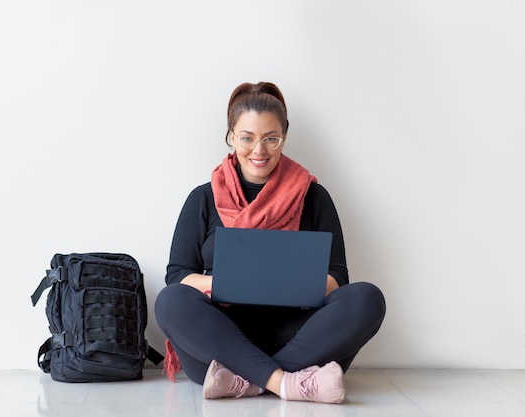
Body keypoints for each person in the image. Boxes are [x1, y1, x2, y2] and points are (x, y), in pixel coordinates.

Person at [154, 81, 386, 404]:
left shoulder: (313, 197)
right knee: (170, 302)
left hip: (298, 336)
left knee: (367, 298)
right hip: (223, 336)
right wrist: (225, 284)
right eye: (247, 138)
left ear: (284, 137)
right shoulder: (203, 199)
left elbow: (337, 277)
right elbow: (178, 275)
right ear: (231, 137)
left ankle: (247, 380)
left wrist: (292, 286)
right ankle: (290, 382)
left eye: (270, 139)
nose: (258, 150)